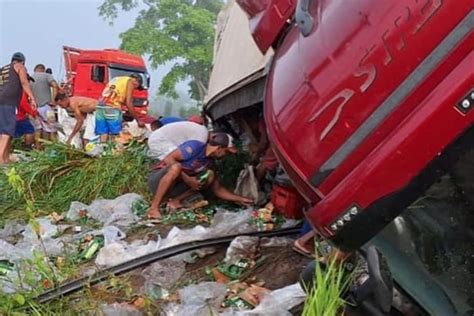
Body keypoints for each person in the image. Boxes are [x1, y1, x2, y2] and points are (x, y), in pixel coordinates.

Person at [147, 133, 253, 218]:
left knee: (209, 175)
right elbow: (169, 159)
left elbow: (218, 189)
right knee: (176, 167)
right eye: (227, 152)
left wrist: (241, 199)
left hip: (175, 187)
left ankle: (175, 200)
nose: (226, 156)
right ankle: (153, 208)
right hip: (158, 180)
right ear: (219, 148)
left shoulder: (210, 163)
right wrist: (187, 179)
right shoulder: (195, 147)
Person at [0, 52, 37, 165]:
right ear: (23, 61)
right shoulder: (20, 66)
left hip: (1, 101)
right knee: (7, 131)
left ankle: (5, 158)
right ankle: (1, 159)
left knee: (5, 131)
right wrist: (32, 97)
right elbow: (24, 82)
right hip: (9, 102)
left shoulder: (3, 69)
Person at [96, 74, 145, 142]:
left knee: (103, 132)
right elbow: (128, 102)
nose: (134, 89)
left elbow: (119, 97)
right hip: (112, 106)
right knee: (116, 135)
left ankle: (102, 149)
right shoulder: (130, 81)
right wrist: (138, 120)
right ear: (136, 80)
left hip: (100, 106)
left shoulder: (117, 79)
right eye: (136, 87)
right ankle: (112, 151)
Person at [30, 64, 59, 140]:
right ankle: (53, 149)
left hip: (34, 108)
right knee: (52, 129)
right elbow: (55, 86)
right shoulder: (47, 75)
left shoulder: (30, 77)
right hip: (47, 107)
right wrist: (53, 100)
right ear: (43, 69)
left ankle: (38, 149)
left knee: (38, 130)